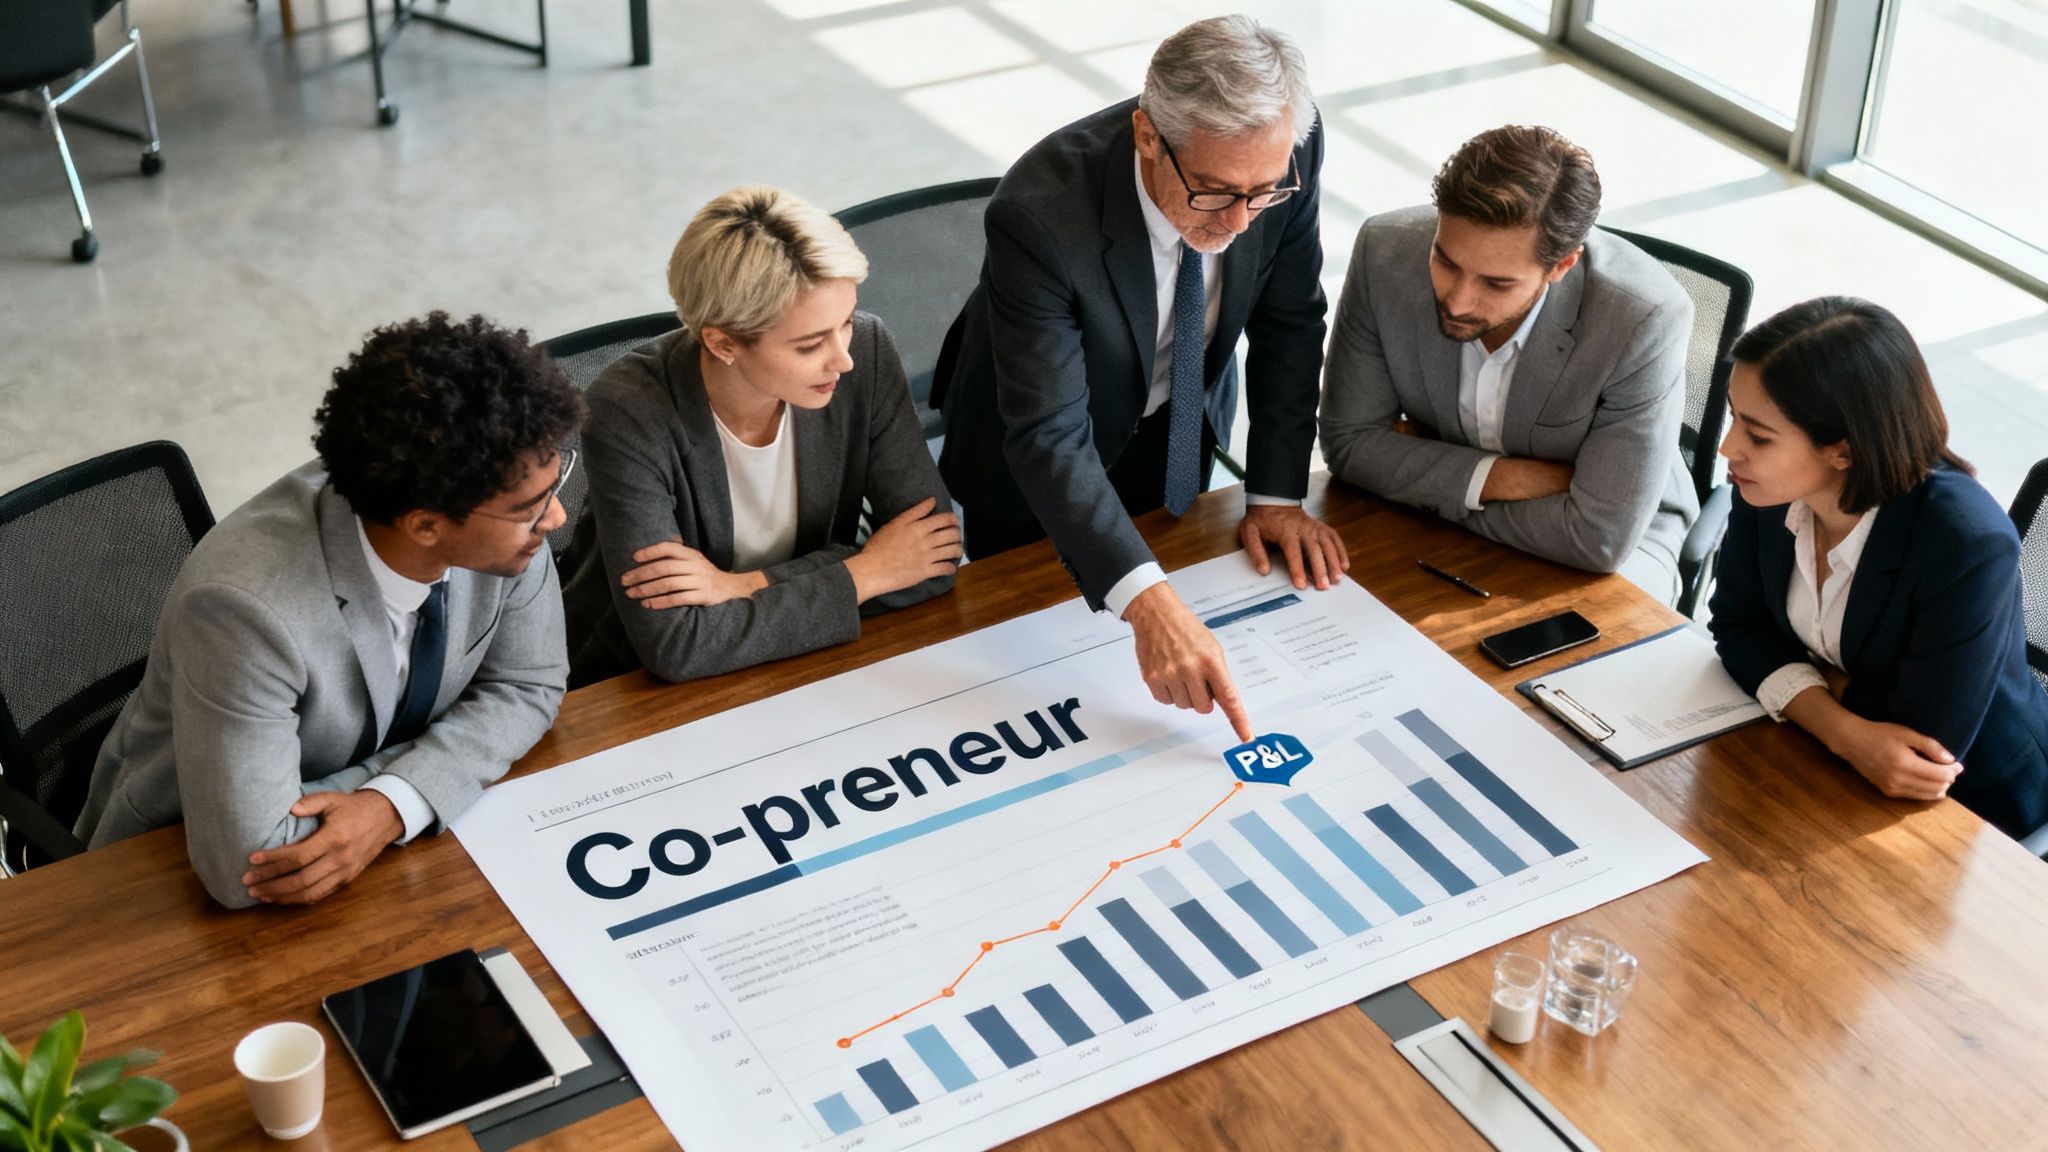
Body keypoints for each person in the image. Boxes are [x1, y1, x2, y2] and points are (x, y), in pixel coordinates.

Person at [76, 312, 581, 908]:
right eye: (531, 508)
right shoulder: (245, 612)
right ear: (425, 525)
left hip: (378, 856)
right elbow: (249, 865)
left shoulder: (501, 498)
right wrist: (426, 775)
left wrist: (393, 802)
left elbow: (530, 685)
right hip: (161, 877)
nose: (556, 517)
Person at [936, 15, 1346, 742]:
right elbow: (1050, 436)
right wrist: (1147, 603)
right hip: (1037, 459)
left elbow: (1290, 322)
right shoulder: (1040, 214)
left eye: (1263, 193)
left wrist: (1276, 494)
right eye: (1215, 192)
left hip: (1178, 421)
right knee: (1041, 674)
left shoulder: (1289, 151)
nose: (1241, 222)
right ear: (1148, 136)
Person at [560, 186, 957, 686]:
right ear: (722, 343)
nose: (843, 360)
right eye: (810, 345)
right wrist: (868, 572)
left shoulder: (868, 349)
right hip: (629, 686)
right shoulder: (629, 411)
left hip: (809, 659)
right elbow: (677, 645)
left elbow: (935, 556)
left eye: (846, 323)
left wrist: (742, 586)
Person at [1709, 296, 2048, 839]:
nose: (1729, 448)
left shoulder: (1965, 542)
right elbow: (1736, 628)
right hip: (1824, 761)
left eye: (1758, 435)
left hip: (1976, 811)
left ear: (1843, 451)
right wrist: (1844, 730)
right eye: (1733, 417)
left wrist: (1796, 675)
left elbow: (1920, 744)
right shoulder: (1766, 490)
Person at [1319, 125, 1698, 604]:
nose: (1457, 301)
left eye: (1496, 284)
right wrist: (1505, 478)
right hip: (1447, 511)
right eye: (1446, 262)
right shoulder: (1384, 252)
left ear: (1561, 266)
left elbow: (1598, 538)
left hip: (1620, 545)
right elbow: (1350, 444)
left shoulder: (1643, 318)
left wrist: (1429, 479)